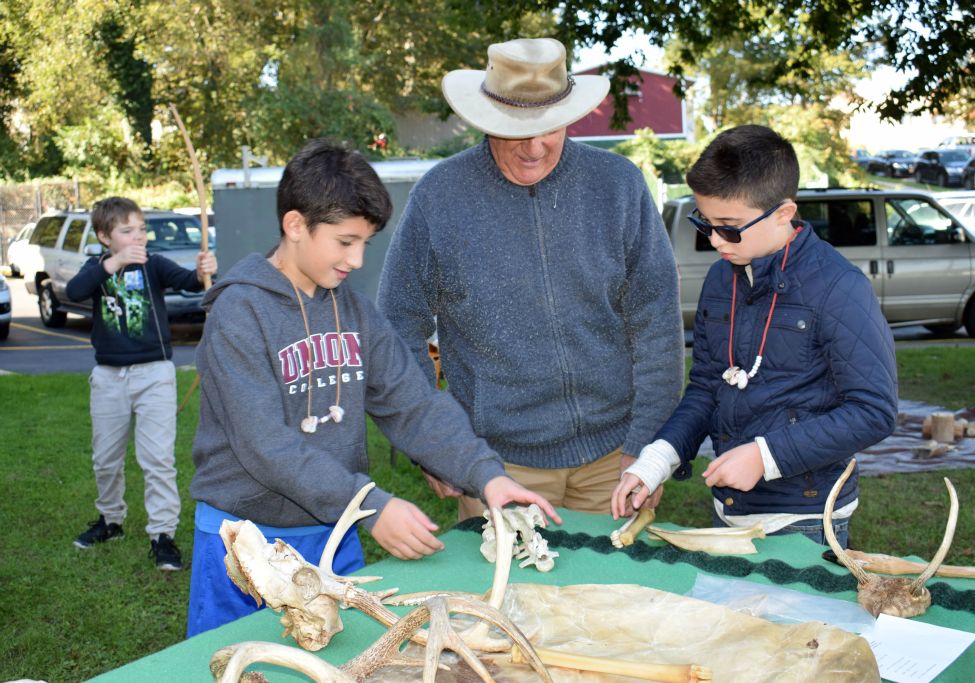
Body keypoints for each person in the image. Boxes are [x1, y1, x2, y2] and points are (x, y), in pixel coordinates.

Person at [187, 138, 560, 636]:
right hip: (245, 543)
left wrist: (485, 475)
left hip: (335, 534)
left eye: (365, 242)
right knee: (240, 664)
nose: (358, 260)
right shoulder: (239, 313)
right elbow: (265, 444)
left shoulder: (355, 312)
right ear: (295, 224)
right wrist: (370, 505)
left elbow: (415, 406)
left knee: (351, 665)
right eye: (345, 242)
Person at [378, 37, 683, 520]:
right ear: (485, 120)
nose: (536, 147)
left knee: (622, 596)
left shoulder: (619, 185)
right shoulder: (440, 197)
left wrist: (648, 443)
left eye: (550, 127)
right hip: (496, 468)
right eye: (517, 130)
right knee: (504, 598)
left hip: (616, 463)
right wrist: (433, 442)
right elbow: (398, 326)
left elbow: (657, 320)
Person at [612, 125, 898, 546]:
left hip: (806, 518)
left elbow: (874, 411)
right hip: (730, 512)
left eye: (728, 226)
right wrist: (657, 458)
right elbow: (708, 387)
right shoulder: (719, 279)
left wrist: (766, 458)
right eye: (705, 223)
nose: (713, 240)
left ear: (783, 213)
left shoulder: (839, 287)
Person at [68, 197, 218, 570]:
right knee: (106, 459)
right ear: (105, 237)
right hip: (109, 377)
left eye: (141, 229)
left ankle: (162, 534)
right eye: (127, 231)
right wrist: (114, 264)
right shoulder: (96, 268)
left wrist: (204, 269)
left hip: (154, 374)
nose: (138, 237)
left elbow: (189, 282)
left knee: (157, 459)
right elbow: (74, 291)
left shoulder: (154, 266)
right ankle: (110, 520)